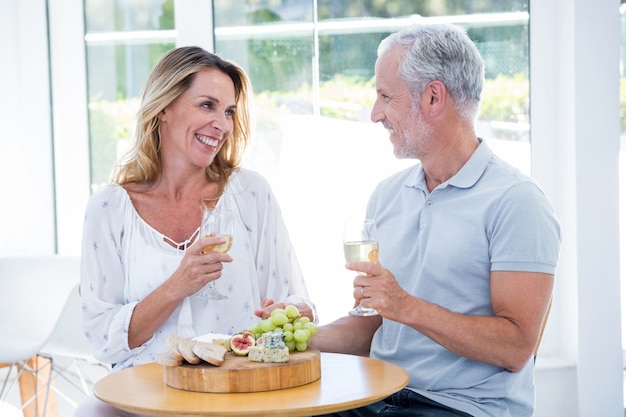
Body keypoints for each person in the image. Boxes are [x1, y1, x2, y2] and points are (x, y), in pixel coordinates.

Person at [311, 23, 561, 417]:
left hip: (461, 408)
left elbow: (515, 348)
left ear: (432, 97)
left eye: (385, 96)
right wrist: (293, 340)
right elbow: (370, 326)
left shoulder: (516, 201)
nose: (376, 114)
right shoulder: (387, 195)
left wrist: (407, 306)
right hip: (377, 397)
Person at [74, 46, 315, 416]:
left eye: (229, 111)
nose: (222, 124)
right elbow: (103, 340)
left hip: (235, 389)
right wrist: (177, 285)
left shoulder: (250, 194)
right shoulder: (109, 210)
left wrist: (290, 313)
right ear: (164, 108)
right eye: (207, 105)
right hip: (144, 394)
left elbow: (298, 301)